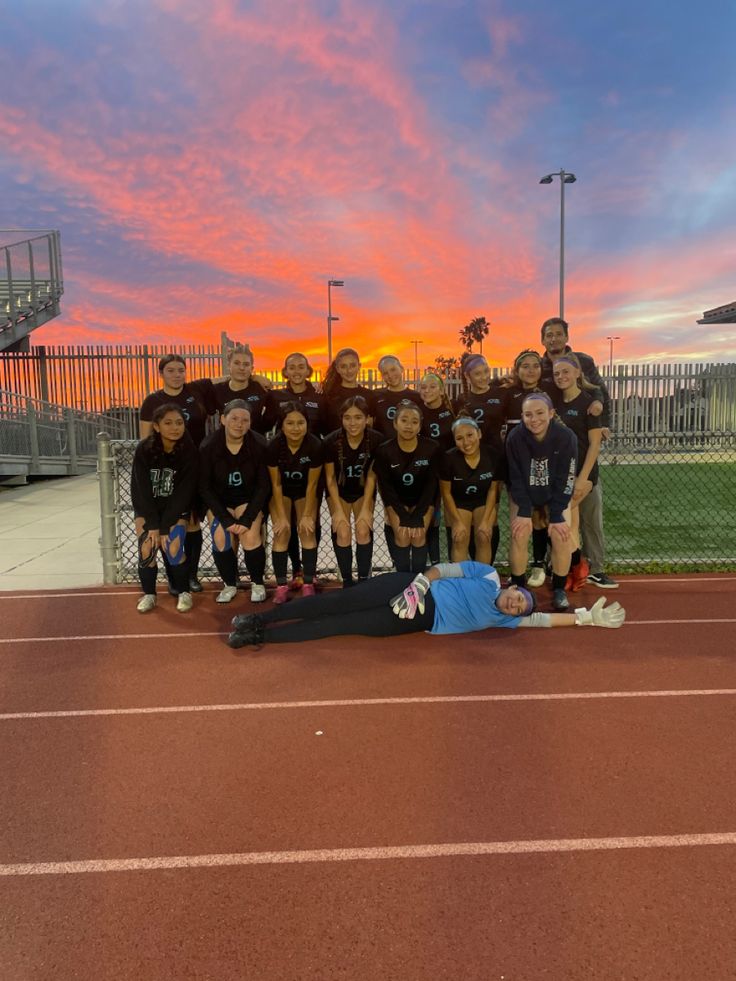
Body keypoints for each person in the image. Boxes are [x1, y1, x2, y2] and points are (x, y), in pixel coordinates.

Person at [227, 561, 625, 648]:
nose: (514, 605)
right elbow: (444, 570)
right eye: (517, 597)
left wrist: (584, 619)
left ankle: (256, 635)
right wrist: (418, 585)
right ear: (512, 586)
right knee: (339, 601)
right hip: (413, 587)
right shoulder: (487, 576)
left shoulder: (505, 622)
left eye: (518, 608)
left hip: (418, 619)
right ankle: (259, 617)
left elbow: (542, 622)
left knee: (339, 625)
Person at [539, 316, 618, 589]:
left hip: (585, 467)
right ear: (543, 339)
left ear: (566, 336)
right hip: (557, 469)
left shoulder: (583, 361)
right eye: (548, 335)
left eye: (558, 334)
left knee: (590, 521)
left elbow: (600, 391)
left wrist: (600, 413)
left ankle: (595, 567)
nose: (553, 339)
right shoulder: (539, 366)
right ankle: (557, 565)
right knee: (560, 521)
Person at [139, 353, 218, 592]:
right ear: (161, 373)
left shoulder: (196, 391)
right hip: (167, 471)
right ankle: (173, 578)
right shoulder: (152, 400)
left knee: (192, 522)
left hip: (195, 466)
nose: (177, 375)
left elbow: (226, 379)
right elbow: (146, 439)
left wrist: (258, 377)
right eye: (171, 370)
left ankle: (190, 576)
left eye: (181, 370)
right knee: (167, 522)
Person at [505, 392, 577, 611]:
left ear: (551, 413)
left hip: (555, 493)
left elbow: (567, 478)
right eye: (528, 415)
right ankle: (518, 585)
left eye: (539, 413)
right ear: (522, 416)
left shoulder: (566, 437)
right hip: (524, 493)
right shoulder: (515, 438)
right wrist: (525, 511)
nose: (533, 419)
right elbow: (514, 478)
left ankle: (558, 588)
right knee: (519, 532)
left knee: (561, 534)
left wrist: (556, 514)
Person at [198, 399, 271, 604]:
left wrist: (247, 519)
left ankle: (257, 583)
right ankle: (230, 584)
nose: (239, 424)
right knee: (221, 537)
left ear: (250, 423)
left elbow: (263, 486)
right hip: (220, 500)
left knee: (249, 536)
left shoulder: (259, 444)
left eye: (245, 420)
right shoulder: (209, 446)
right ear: (223, 419)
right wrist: (226, 519)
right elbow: (204, 487)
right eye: (234, 418)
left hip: (248, 498)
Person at [131, 404, 199, 613]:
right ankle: (150, 594)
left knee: (173, 546)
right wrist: (152, 524)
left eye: (179, 423)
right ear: (157, 426)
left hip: (175, 509)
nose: (174, 428)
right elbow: (140, 489)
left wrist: (165, 527)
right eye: (168, 423)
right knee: (147, 547)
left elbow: (184, 493)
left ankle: (184, 591)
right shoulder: (144, 449)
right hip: (148, 508)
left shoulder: (189, 451)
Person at [363, 400, 439, 573]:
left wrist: (419, 514)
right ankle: (402, 579)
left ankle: (418, 581)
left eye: (414, 422)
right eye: (404, 420)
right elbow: (386, 489)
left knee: (419, 535)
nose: (409, 426)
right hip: (397, 499)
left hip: (423, 499)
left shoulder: (431, 448)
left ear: (420, 427)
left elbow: (431, 485)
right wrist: (403, 515)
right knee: (403, 535)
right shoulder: (384, 450)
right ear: (395, 423)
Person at [551, 354, 603, 592]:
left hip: (583, 474)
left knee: (560, 518)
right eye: (556, 373)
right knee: (571, 525)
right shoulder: (555, 404)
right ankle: (573, 570)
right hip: (562, 474)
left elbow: (594, 444)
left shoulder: (589, 404)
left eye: (565, 372)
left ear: (577, 374)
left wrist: (583, 479)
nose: (561, 377)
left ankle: (577, 563)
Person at [266, 402, 324, 603]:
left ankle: (308, 583)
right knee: (282, 532)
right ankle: (282, 586)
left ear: (307, 425)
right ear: (282, 425)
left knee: (307, 531)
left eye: (300, 423)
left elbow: (312, 484)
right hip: (281, 492)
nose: (296, 428)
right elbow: (276, 484)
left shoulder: (315, 445)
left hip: (304, 491)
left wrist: (308, 515)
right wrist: (281, 517)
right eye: (290, 423)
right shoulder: (274, 446)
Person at [323, 396, 383, 587]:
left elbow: (372, 477)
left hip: (362, 490)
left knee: (363, 529)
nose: (353, 422)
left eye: (358, 417)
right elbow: (330, 479)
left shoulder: (375, 440)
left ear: (367, 419)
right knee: (342, 531)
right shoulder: (332, 441)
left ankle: (365, 579)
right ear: (341, 419)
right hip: (339, 491)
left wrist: (366, 508)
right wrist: (338, 512)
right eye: (347, 417)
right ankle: (347, 581)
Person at [438, 416, 503, 564]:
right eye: (459, 438)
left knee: (484, 536)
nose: (466, 442)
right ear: (454, 440)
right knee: (460, 538)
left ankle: (481, 581)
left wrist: (486, 521)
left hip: (483, 500)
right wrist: (457, 522)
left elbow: (493, 490)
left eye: (470, 435)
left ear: (479, 434)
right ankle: (460, 582)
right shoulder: (448, 458)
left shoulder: (492, 455)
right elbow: (446, 493)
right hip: (459, 502)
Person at [418, 371, 456, 562]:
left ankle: (452, 561)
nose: (428, 390)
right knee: (431, 517)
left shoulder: (452, 411)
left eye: (433, 386)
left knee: (451, 517)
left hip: (449, 472)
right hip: (427, 473)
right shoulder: (418, 413)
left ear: (441, 390)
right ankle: (433, 562)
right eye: (424, 387)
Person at [211, 344, 269, 434]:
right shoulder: (217, 390)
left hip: (255, 444)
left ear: (252, 368)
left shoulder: (260, 389)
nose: (242, 368)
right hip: (226, 444)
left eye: (246, 364)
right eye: (237, 363)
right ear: (228, 365)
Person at [263, 352, 326, 436]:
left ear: (308, 371)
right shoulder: (274, 396)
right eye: (292, 368)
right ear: (285, 372)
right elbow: (264, 426)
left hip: (313, 448)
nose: (297, 372)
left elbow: (327, 429)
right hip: (283, 448)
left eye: (301, 367)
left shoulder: (319, 396)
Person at [321, 347, 374, 433]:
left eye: (352, 365)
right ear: (337, 369)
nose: (349, 371)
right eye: (343, 366)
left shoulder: (369, 395)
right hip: (334, 444)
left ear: (359, 366)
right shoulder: (328, 394)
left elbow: (371, 425)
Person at [370, 355, 422, 438]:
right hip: (382, 448)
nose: (390, 375)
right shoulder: (376, 395)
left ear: (401, 368)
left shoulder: (416, 397)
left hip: (407, 447)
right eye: (385, 373)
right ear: (382, 376)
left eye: (393, 369)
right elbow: (369, 424)